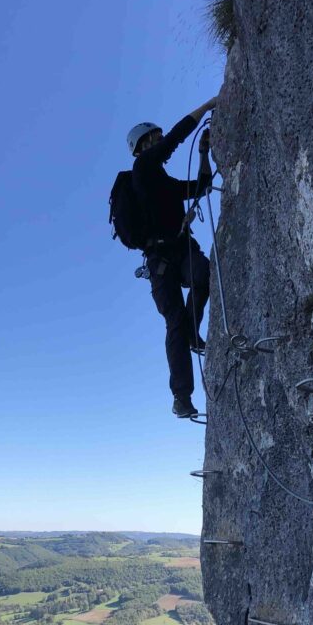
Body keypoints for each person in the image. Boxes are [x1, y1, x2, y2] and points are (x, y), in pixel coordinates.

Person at [128, 97, 218, 418]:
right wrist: (208, 105)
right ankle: (182, 397)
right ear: (144, 145)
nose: (161, 141)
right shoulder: (142, 168)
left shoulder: (163, 182)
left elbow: (202, 186)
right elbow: (176, 138)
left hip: (179, 250)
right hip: (159, 262)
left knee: (203, 273)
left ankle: (194, 331)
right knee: (175, 324)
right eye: (156, 138)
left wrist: (204, 152)